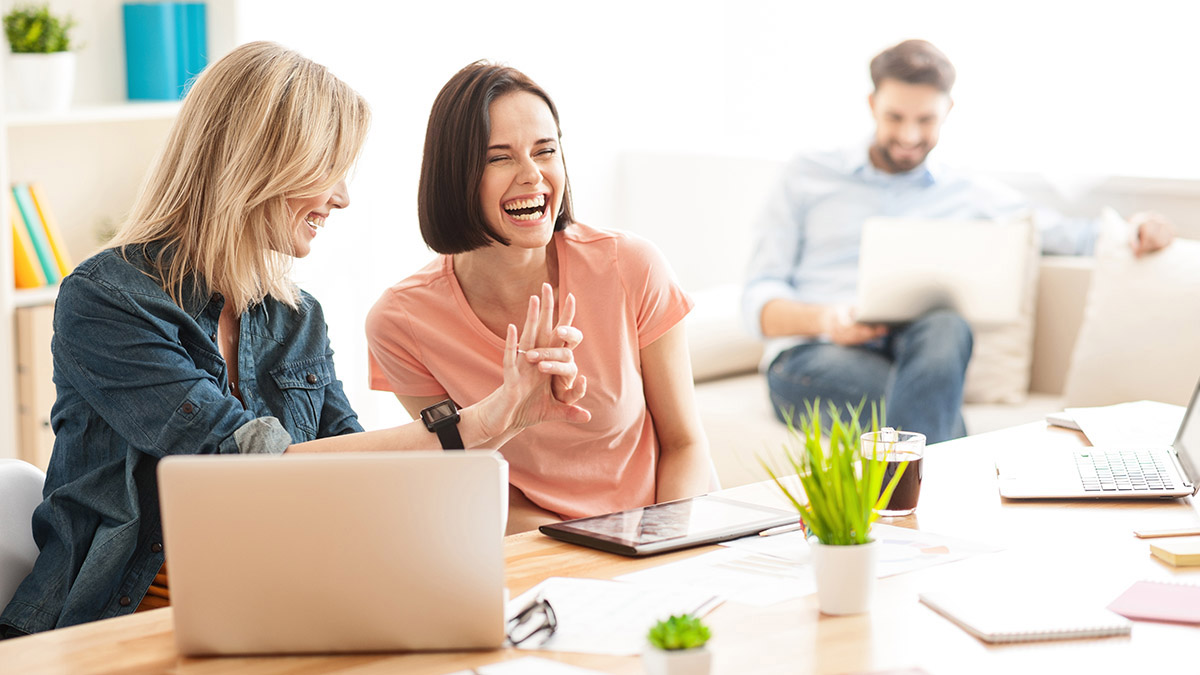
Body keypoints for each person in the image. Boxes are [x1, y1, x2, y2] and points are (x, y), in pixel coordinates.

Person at [0, 42, 587, 639]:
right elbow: (244, 467)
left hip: (270, 614)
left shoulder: (297, 317)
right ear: (259, 163)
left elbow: (359, 482)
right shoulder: (109, 299)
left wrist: (513, 416)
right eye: (328, 171)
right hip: (115, 627)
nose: (342, 197)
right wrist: (479, 424)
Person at [742, 39, 1174, 444]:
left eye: (925, 119)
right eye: (895, 117)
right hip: (813, 358)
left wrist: (1134, 229)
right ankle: (942, 501)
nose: (909, 136)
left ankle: (905, 513)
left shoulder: (969, 194)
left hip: (917, 355)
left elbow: (1063, 233)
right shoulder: (808, 175)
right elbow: (758, 297)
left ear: (948, 110)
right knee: (920, 404)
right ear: (872, 105)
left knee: (947, 325)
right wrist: (827, 320)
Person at [366, 61, 712, 535]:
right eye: (499, 157)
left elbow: (686, 444)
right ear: (454, 175)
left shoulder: (630, 265)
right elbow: (471, 477)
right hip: (533, 543)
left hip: (664, 530)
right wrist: (579, 549)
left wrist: (660, 547)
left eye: (545, 151)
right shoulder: (401, 322)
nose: (533, 175)